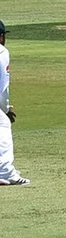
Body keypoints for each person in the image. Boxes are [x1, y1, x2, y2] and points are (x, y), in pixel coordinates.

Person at [0, 18, 25, 186]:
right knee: (3, 125)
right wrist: (6, 110)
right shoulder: (1, 52)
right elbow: (2, 88)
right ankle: (6, 173)